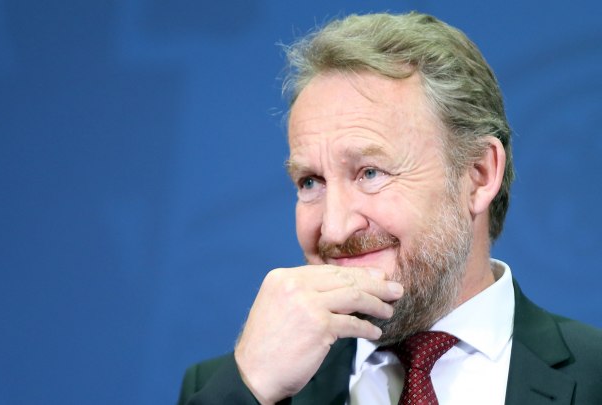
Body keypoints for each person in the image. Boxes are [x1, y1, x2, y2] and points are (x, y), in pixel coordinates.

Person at [177, 11, 602, 405]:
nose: (335, 228)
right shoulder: (239, 386)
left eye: (370, 173)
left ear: (478, 174)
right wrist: (247, 388)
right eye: (310, 182)